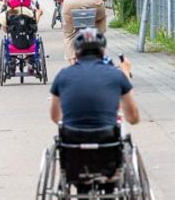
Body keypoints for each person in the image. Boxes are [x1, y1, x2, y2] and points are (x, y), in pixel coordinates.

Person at [49, 28, 139, 194]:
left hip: (73, 151)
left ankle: (82, 189)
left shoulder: (63, 75)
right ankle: (110, 188)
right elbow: (133, 118)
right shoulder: (116, 75)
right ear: (103, 51)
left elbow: (55, 117)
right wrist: (125, 72)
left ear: (76, 52)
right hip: (108, 148)